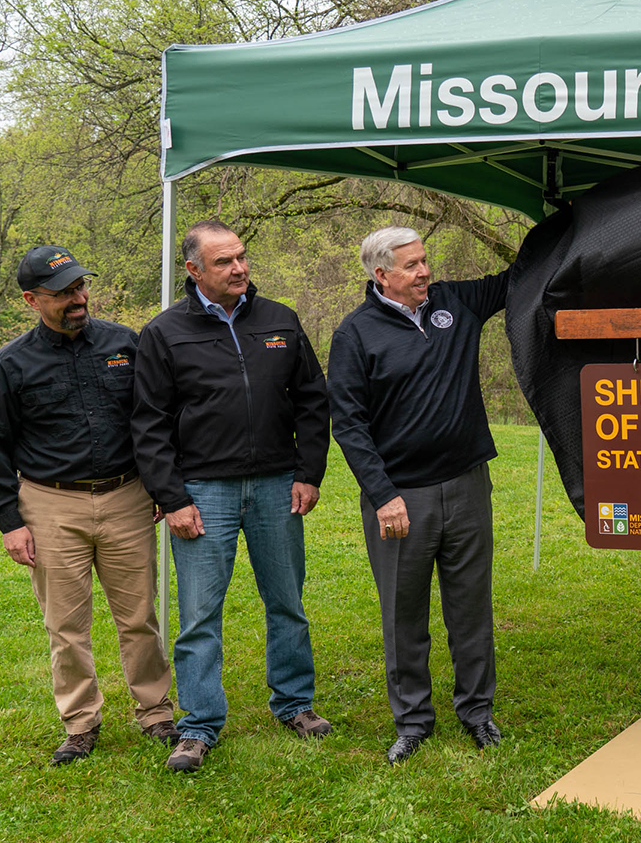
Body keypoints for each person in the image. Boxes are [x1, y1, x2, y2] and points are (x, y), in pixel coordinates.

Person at [132, 220, 333, 773]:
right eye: (224, 262)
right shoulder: (164, 332)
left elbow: (314, 401)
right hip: (202, 491)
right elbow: (149, 424)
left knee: (287, 601)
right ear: (194, 270)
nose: (239, 268)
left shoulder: (280, 320)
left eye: (242, 257)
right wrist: (172, 498)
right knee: (199, 615)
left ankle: (294, 704)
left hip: (276, 486)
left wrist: (308, 471)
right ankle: (198, 725)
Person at [0, 245, 176, 764]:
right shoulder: (10, 364)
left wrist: (159, 485)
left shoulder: (125, 344)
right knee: (66, 627)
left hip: (128, 497)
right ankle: (81, 722)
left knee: (140, 617)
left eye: (80, 287)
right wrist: (10, 521)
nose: (78, 298)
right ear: (31, 300)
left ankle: (156, 712)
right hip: (50, 505)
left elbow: (152, 422)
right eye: (63, 293)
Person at [327, 228, 510, 764]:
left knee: (470, 607)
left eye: (425, 261)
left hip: (467, 484)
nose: (425, 272)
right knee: (404, 614)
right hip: (401, 497)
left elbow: (512, 282)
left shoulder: (454, 303)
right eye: (411, 266)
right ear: (381, 275)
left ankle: (478, 712)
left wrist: (559, 223)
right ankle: (412, 720)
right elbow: (351, 425)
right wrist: (383, 495)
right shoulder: (356, 334)